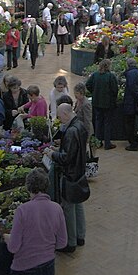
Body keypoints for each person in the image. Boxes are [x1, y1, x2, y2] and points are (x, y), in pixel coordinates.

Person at [4, 168, 67, 275]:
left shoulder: (22, 210)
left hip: (24, 269)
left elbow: (13, 247)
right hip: (48, 266)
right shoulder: (57, 208)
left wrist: (7, 238)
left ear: (28, 187)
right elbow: (62, 243)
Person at [46, 103, 88, 253]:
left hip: (69, 174)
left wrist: (52, 154)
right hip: (79, 172)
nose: (59, 119)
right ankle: (80, 236)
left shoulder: (71, 131)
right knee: (78, 203)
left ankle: (70, 242)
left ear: (65, 114)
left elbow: (66, 158)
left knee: (69, 207)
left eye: (59, 116)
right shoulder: (81, 126)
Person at [86, 58, 118, 150]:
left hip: (96, 103)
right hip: (108, 104)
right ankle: (107, 143)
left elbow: (88, 84)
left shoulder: (95, 75)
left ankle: (98, 142)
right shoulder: (110, 76)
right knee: (107, 123)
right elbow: (115, 90)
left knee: (98, 122)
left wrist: (94, 92)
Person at [121, 57, 138, 151]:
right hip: (137, 104)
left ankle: (133, 144)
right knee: (136, 124)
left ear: (127, 65)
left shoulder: (130, 74)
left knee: (130, 124)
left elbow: (133, 89)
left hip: (131, 104)